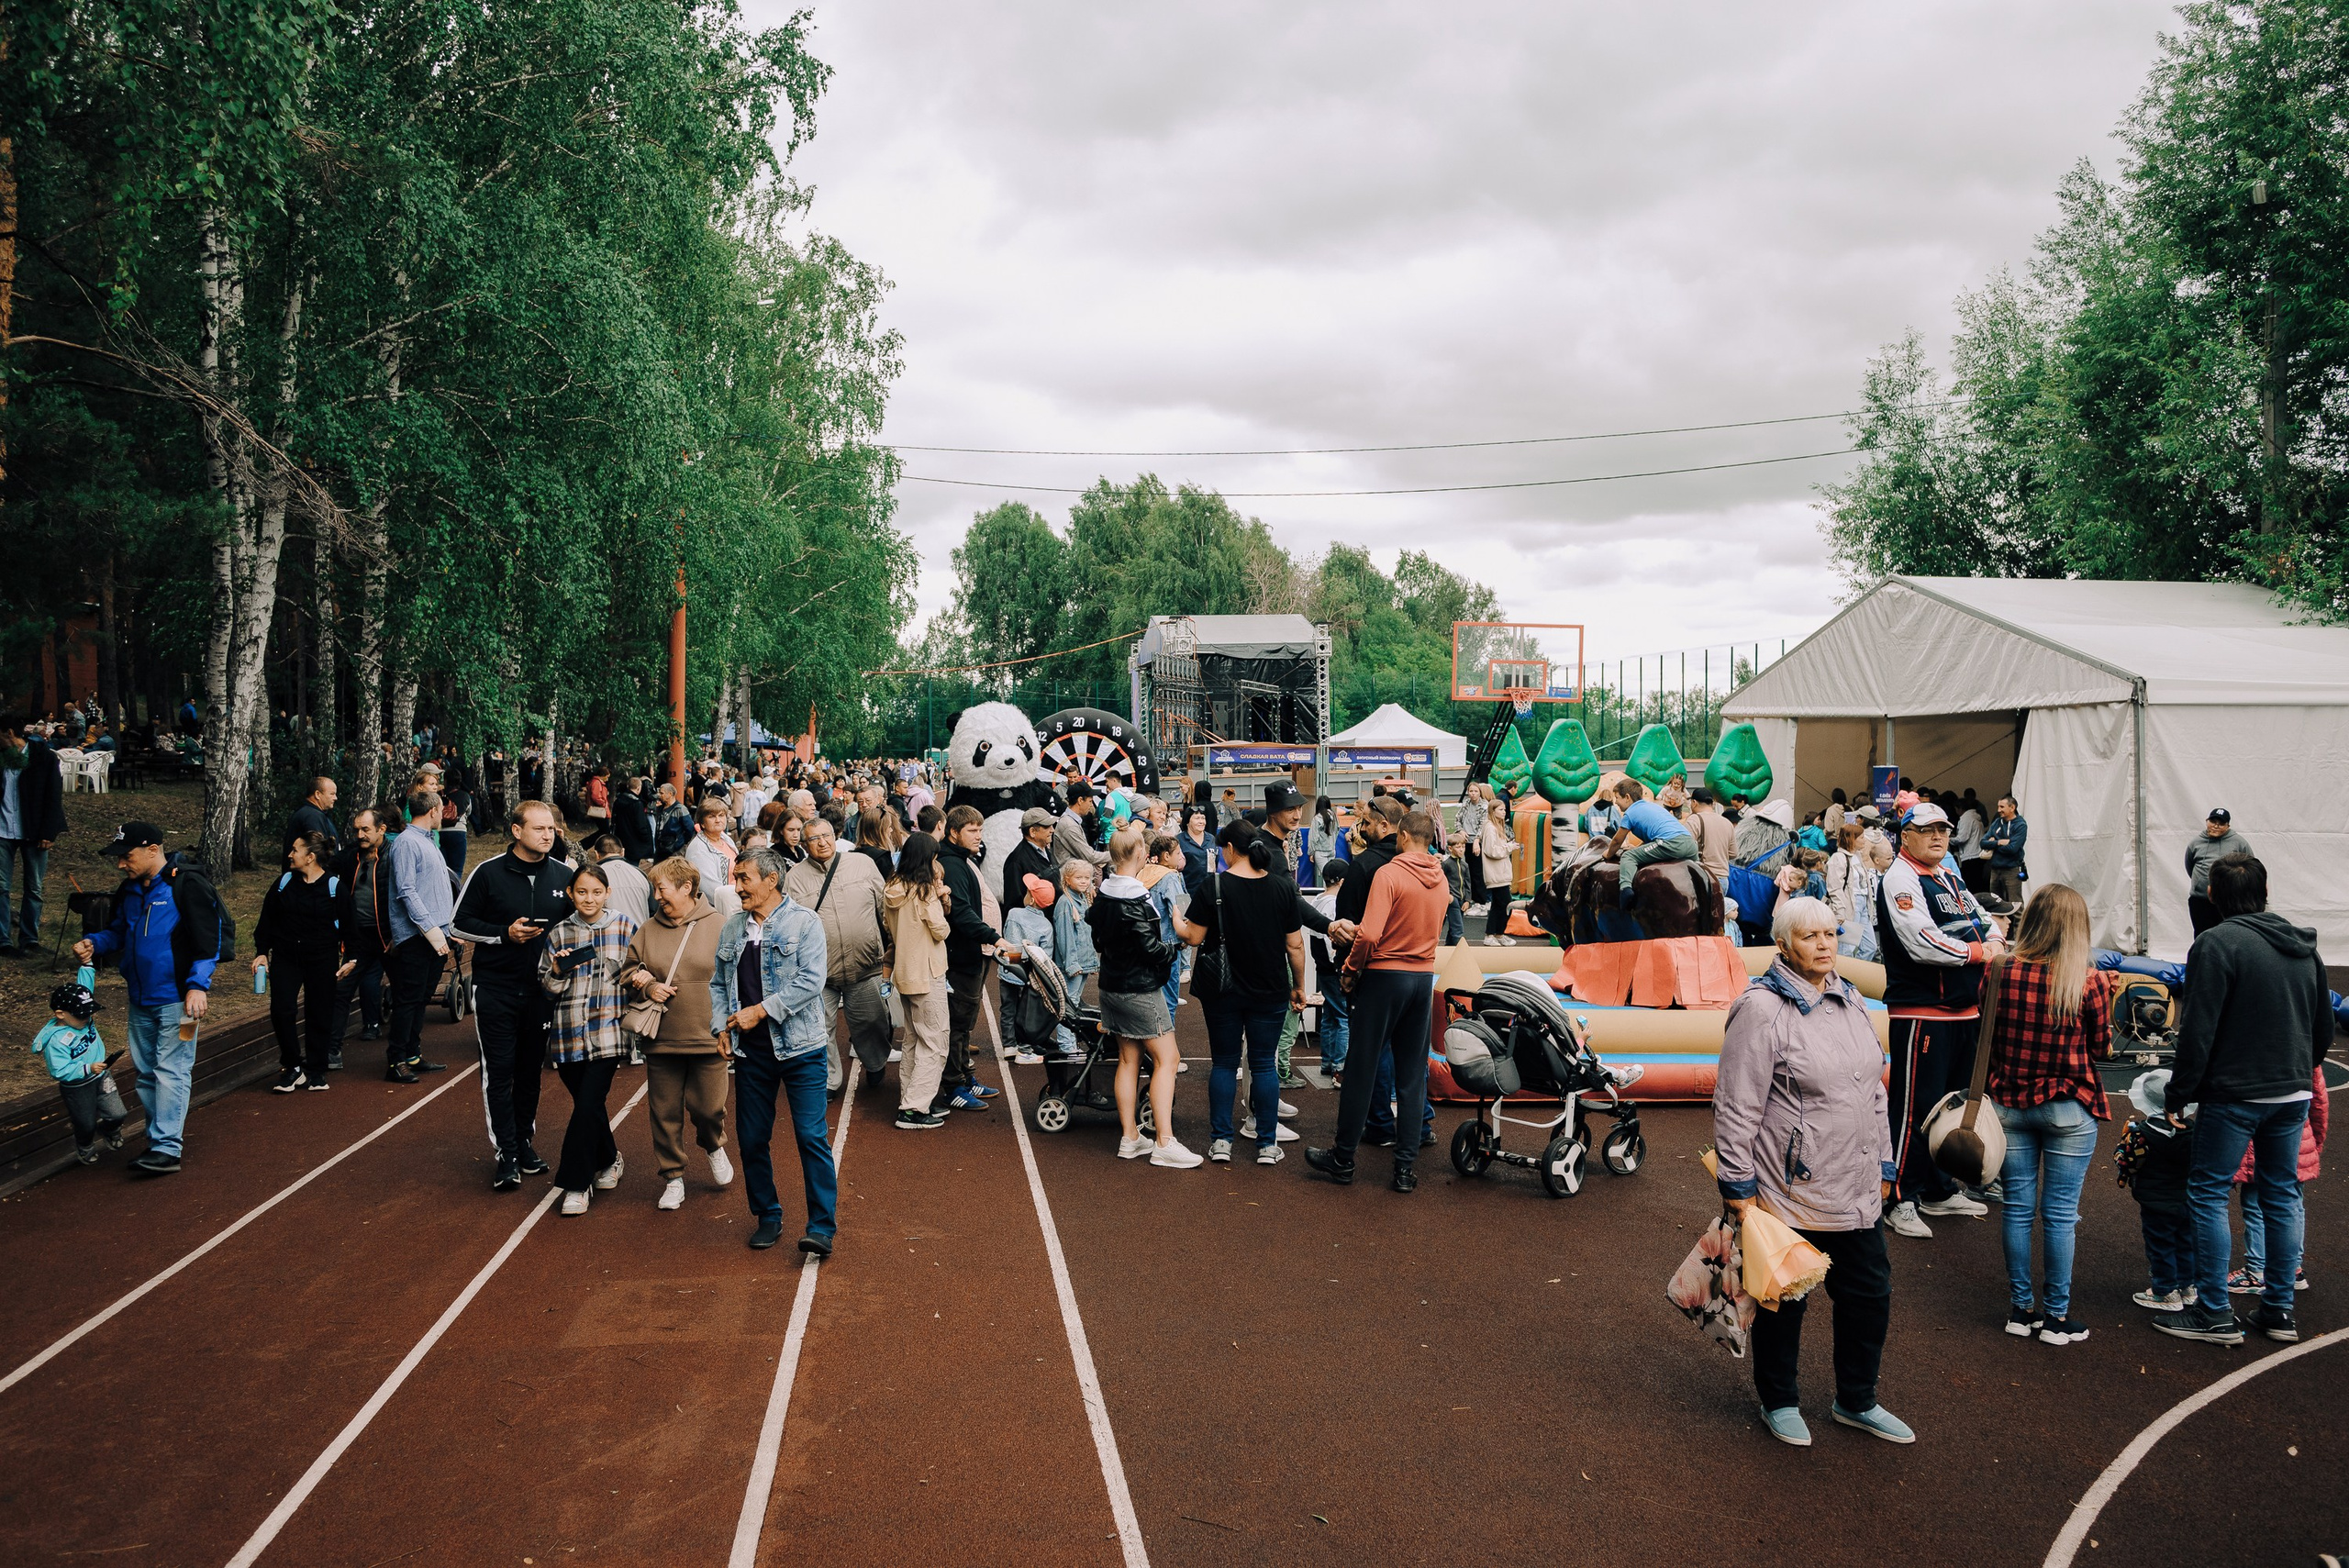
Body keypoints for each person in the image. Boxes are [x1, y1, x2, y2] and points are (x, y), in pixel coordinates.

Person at [1713, 896, 1910, 1448]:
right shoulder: (1761, 1009)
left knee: (1869, 1295)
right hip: (1788, 1189)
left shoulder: (1849, 999)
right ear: (1782, 944)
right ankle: (1779, 1400)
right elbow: (1736, 1104)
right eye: (1810, 937)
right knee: (1785, 1301)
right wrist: (1738, 1188)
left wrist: (1885, 1161)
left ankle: (1857, 1400)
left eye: (1830, 934)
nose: (1825, 945)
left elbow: (1874, 1090)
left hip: (1855, 1183)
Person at [2155, 853, 2327, 1347]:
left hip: (2234, 1093)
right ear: (2265, 890)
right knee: (2281, 1193)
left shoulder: (2215, 943)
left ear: (2212, 896)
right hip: (2291, 1090)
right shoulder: (2303, 946)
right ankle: (2278, 1309)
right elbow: (2319, 1028)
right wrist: (2299, 1068)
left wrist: (2178, 1093)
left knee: (2208, 1192)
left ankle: (2214, 1312)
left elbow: (2197, 1029)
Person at [1982, 884, 2112, 1346]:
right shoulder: (2089, 981)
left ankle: (2021, 1310)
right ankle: (2056, 1318)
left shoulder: (2000, 971)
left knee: (2017, 1209)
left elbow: (1987, 1033)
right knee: (2060, 1216)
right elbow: (2102, 1048)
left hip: (2010, 1104)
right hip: (2068, 1107)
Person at [1876, 799, 2003, 1240]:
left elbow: (1985, 921)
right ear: (1905, 835)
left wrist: (1993, 941)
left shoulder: (1949, 875)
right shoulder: (1899, 878)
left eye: (1944, 830)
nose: (1937, 837)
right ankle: (1901, 1198)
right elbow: (1921, 942)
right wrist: (1980, 952)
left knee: (1953, 1103)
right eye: (1927, 829)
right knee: (1914, 1106)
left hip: (1965, 1010)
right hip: (1922, 1012)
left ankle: (1938, 1187)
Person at [1307, 807, 1448, 1191]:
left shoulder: (1389, 874)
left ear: (1402, 836)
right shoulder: (1442, 879)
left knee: (1361, 1068)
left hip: (1386, 975)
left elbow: (1368, 935)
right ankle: (1404, 1168)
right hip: (1422, 977)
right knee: (1411, 1075)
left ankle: (1343, 1158)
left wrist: (1350, 971)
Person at [75, 822, 226, 1176]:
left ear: (153, 850)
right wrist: (95, 942)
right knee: (145, 1074)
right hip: (140, 1000)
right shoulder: (128, 891)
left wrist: (197, 986)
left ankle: (166, 1148)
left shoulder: (186, 885)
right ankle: (159, 1141)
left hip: (183, 1003)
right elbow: (118, 933)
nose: (121, 865)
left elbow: (209, 940)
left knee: (172, 1070)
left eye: (127, 857)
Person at [713, 847, 837, 1256]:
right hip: (753, 1053)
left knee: (810, 1136)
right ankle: (768, 1215)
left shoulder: (805, 923)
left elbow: (810, 982)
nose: (738, 886)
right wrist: (723, 1026)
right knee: (751, 1139)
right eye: (736, 878)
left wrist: (760, 1011)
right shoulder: (732, 928)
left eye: (745, 878)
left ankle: (821, 1228)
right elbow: (718, 985)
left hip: (802, 1049)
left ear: (771, 880)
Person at [451, 799, 578, 1191]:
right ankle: (505, 1152)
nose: (548, 835)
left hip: (541, 991)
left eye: (551, 829)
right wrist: (503, 934)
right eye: (539, 828)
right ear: (516, 831)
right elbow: (458, 924)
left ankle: (524, 1141)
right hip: (496, 989)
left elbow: (577, 926)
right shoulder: (487, 873)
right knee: (499, 1071)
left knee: (529, 1072)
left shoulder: (564, 875)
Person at [1175, 820, 1304, 1167]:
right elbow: (1295, 945)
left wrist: (1176, 922)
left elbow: (1194, 938)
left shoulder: (1212, 885)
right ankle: (1266, 1143)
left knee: (1224, 1062)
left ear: (1230, 848)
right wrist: (1299, 986)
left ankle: (1221, 1141)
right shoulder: (1281, 887)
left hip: (1223, 988)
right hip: (1270, 987)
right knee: (1263, 1065)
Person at [623, 858, 732, 1210]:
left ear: (686, 887)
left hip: (709, 1035)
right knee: (664, 1111)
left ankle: (713, 1144)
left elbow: (737, 976)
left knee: (709, 1108)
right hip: (662, 1037)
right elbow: (627, 974)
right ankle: (672, 1177)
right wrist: (646, 984)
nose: (657, 896)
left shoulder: (720, 924)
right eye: (655, 889)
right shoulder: (647, 929)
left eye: (662, 888)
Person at [1091, 825, 1201, 1167]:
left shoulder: (1104, 893)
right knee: (1168, 1059)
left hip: (1110, 985)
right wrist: (1178, 945)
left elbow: (1099, 942)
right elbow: (1152, 949)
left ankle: (1130, 1138)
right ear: (1140, 853)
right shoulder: (1135, 897)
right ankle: (1164, 1141)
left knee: (1129, 1060)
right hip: (1139, 988)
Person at [540, 862, 640, 1216]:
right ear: (570, 893)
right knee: (590, 1108)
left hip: (609, 1034)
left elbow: (637, 975)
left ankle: (575, 1183)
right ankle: (610, 1158)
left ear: (608, 893)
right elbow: (547, 989)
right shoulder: (559, 934)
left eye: (597, 892)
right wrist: (556, 971)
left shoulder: (626, 927)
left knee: (586, 1105)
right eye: (581, 891)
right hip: (569, 1034)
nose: (589, 898)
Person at [785, 816, 894, 1096]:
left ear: (835, 835)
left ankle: (875, 1063)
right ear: (805, 844)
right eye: (814, 839)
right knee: (820, 1028)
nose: (822, 842)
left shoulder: (862, 864)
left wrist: (892, 942)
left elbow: (884, 907)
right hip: (819, 971)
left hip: (865, 963)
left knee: (872, 1022)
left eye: (827, 836)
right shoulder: (794, 877)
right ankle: (829, 1081)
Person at [251, 829, 354, 1094]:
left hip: (322, 958)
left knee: (319, 1012)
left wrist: (351, 958)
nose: (289, 854)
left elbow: (351, 929)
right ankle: (292, 1067)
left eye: (295, 850)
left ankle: (317, 1071)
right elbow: (267, 921)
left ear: (310, 857)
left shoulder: (334, 888)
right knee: (281, 1010)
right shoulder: (283, 883)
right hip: (286, 958)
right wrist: (261, 951)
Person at [2229, 1058, 2325, 1298]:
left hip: (2260, 1144)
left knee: (2255, 1206)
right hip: (2298, 1139)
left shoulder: (2252, 1049)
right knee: (2293, 1205)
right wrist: (2314, 1143)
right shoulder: (2304, 1049)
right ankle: (2292, 1268)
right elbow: (2320, 1103)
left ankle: (2258, 1270)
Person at [383, 787, 455, 1084]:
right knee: (408, 999)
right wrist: (430, 929)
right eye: (442, 810)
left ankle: (412, 1053)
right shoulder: (406, 843)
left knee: (421, 997)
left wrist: (450, 929)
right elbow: (406, 891)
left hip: (437, 932)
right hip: (418, 936)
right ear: (434, 810)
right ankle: (396, 1059)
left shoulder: (427, 842)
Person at [884, 834, 954, 1129]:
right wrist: (940, 896)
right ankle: (913, 1108)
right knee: (936, 1042)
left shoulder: (892, 887)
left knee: (914, 1040)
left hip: (904, 971)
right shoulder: (924, 891)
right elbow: (941, 930)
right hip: (928, 973)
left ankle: (913, 1099)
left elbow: (889, 927)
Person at [937, 806, 1000, 1108]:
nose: (979, 837)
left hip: (969, 955)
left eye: (981, 830)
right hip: (959, 958)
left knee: (964, 1023)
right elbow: (961, 914)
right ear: (953, 833)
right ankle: (952, 1087)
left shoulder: (961, 860)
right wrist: (993, 937)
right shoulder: (951, 864)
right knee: (956, 1024)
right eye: (972, 831)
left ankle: (964, 1076)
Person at [33, 966, 126, 1164]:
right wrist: (87, 1068)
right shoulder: (57, 1041)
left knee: (118, 1113)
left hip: (101, 1076)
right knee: (85, 1123)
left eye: (88, 1012)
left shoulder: (81, 1016)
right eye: (81, 1014)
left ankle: (109, 1130)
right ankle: (84, 1146)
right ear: (60, 1014)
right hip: (77, 1087)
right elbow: (59, 1070)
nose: (87, 1017)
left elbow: (84, 989)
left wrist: (86, 965)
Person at [328, 806, 395, 1068]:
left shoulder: (394, 856)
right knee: (341, 990)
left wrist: (398, 935)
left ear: (381, 830)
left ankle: (405, 1052)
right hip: (356, 940)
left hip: (388, 938)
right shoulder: (348, 858)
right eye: (357, 830)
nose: (360, 835)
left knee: (404, 993)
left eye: (366, 829)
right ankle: (332, 1050)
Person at [0, 716, 69, 956]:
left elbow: (53, 796)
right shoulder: (1, 759)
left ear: (10, 732)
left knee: (34, 887)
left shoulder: (43, 757)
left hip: (34, 830)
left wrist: (49, 831)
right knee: (1, 887)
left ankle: (29, 939)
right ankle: (3, 941)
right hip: (3, 830)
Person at [1607, 777, 1698, 907]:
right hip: (1690, 844)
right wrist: (1638, 848)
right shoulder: (1652, 806)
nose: (1616, 802)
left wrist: (1608, 854)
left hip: (1670, 843)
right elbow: (1653, 838)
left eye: (1617, 798)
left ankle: (1625, 890)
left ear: (1627, 797)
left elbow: (1617, 840)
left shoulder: (1630, 813)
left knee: (1628, 856)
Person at [2183, 808, 2253, 937]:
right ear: (2207, 821)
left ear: (2227, 826)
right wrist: (2200, 882)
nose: (2216, 826)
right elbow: (2189, 866)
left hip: (2229, 901)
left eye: (2221, 823)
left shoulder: (2239, 843)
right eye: (2212, 821)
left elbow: (2250, 867)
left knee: (2228, 935)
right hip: (2200, 900)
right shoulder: (2196, 843)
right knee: (2201, 935)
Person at [1823, 821, 1880, 960]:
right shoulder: (1839, 858)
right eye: (1861, 838)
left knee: (1870, 946)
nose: (1864, 840)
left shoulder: (1858, 857)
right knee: (1846, 949)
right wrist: (1840, 911)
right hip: (1849, 905)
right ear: (1852, 839)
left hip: (1863, 905)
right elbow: (1835, 887)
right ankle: (1844, 978)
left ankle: (1855, 974)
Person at [1475, 797, 1519, 944]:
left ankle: (1496, 934)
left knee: (1499, 905)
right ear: (1493, 812)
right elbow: (1491, 850)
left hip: (1500, 873)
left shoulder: (1494, 827)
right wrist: (1509, 848)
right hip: (1496, 874)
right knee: (1506, 904)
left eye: (1504, 809)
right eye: (1501, 810)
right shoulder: (1490, 828)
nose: (1504, 812)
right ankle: (1493, 934)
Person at [685, 799, 739, 910]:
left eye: (721, 815)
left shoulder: (725, 838)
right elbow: (711, 890)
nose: (718, 820)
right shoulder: (698, 850)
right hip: (717, 908)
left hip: (735, 900)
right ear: (702, 823)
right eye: (712, 817)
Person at [590, 832, 651, 929]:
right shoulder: (641, 874)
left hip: (609, 938)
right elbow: (653, 909)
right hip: (639, 937)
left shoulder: (594, 876)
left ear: (597, 854)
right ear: (622, 852)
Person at [1002, 806, 1056, 911]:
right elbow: (1013, 904)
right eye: (1047, 827)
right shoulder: (1016, 860)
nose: (1052, 830)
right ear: (1032, 832)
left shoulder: (1046, 849)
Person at [1052, 784, 1111, 874]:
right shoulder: (1069, 825)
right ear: (1080, 800)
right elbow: (1090, 856)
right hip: (1071, 880)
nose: (1091, 805)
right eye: (1090, 801)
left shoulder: (1071, 821)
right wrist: (1116, 854)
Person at [1980, 796, 2027, 910]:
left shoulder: (2020, 825)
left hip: (2012, 870)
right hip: (1995, 869)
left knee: (2015, 905)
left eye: (2002, 807)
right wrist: (1999, 842)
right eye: (1998, 806)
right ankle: (2000, 928)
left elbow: (2012, 849)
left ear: (2012, 808)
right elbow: (1982, 843)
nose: (1998, 810)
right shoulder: (1997, 822)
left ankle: (2018, 928)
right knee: (1995, 904)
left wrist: (1993, 843)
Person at [284, 775, 340, 865]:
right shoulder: (312, 816)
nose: (335, 798)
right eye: (332, 794)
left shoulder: (313, 813)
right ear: (318, 794)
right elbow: (318, 850)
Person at [1179, 809, 1212, 894]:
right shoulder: (1179, 840)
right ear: (1187, 822)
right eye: (1197, 818)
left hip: (1209, 889)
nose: (1201, 821)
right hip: (1188, 889)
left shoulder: (1211, 839)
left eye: (1203, 818)